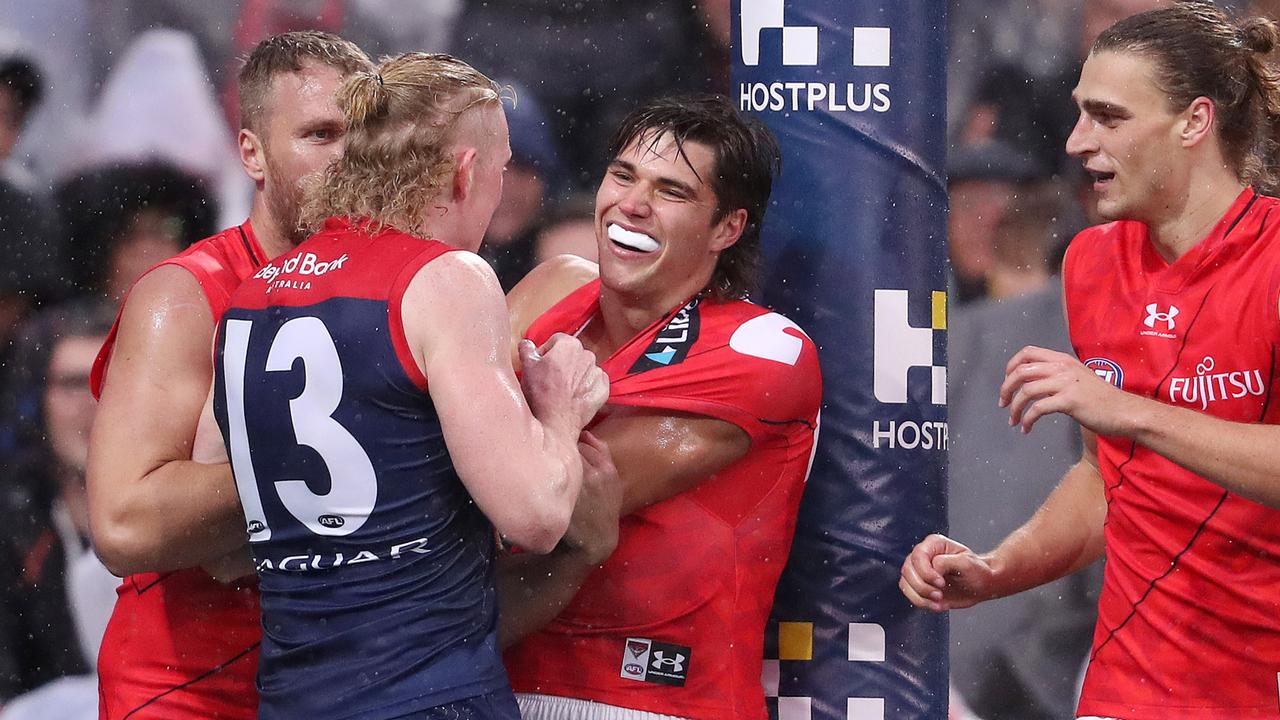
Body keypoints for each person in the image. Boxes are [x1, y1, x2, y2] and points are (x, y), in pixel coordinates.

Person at [900, 3, 1280, 718]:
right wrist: (997, 570)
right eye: (1079, 114)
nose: (1077, 141)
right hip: (1124, 693)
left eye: (1108, 117)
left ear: (1194, 122)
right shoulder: (1091, 263)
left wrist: (1126, 410)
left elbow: (1130, 427)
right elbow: (1107, 481)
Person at [207, 52, 608, 720]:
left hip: (292, 698)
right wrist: (560, 415)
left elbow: (222, 545)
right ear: (465, 170)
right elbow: (535, 516)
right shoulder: (448, 277)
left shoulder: (251, 297)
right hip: (428, 695)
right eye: (502, 170)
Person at [499, 94, 823, 720]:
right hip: (496, 683)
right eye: (623, 175)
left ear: (728, 227)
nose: (633, 203)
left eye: (671, 191)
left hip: (659, 701)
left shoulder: (765, 353)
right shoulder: (553, 284)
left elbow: (537, 503)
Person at [83, 31, 372, 719]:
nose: (349, 158)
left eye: (364, 135)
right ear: (252, 153)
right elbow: (124, 525)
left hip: (343, 682)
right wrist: (336, 465)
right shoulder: (183, 296)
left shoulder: (404, 289)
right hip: (189, 690)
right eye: (321, 134)